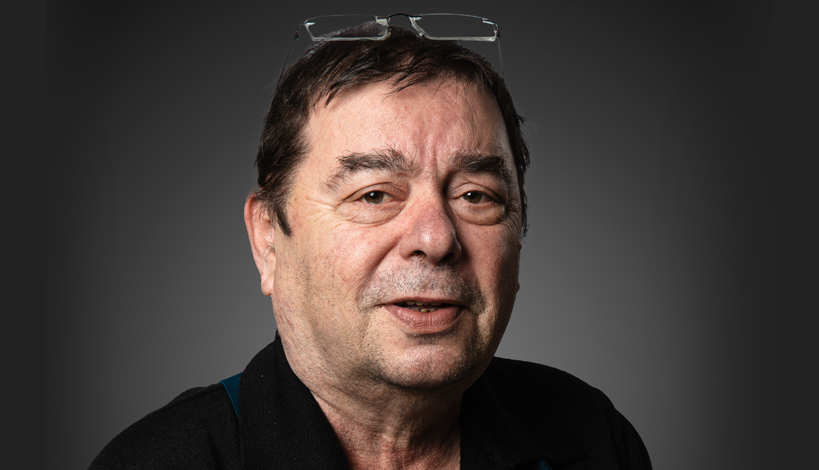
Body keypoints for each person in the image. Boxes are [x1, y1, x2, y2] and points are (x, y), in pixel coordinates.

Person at [90, 16, 651, 470]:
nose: (436, 239)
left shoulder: (595, 440)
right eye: (375, 194)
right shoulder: (158, 462)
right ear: (268, 240)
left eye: (475, 196)